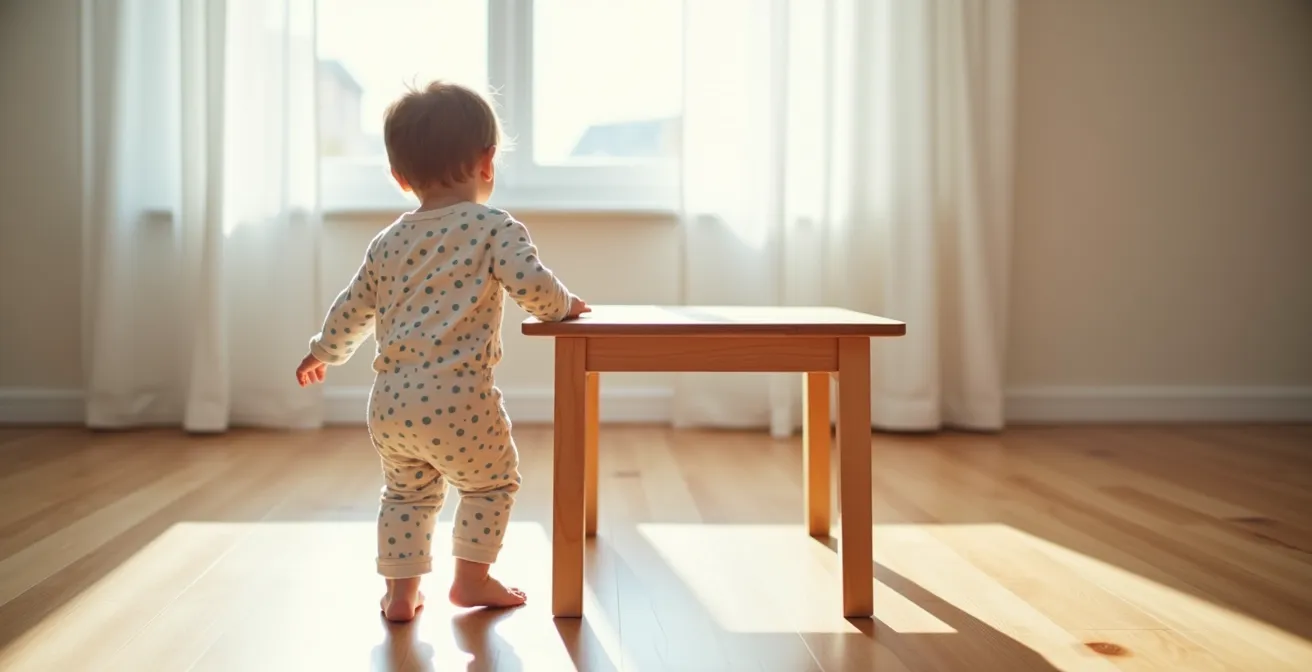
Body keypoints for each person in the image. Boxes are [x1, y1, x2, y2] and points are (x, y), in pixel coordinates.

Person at [295, 80, 589, 622]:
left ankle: (401, 594)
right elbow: (534, 288)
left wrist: (322, 353)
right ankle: (471, 580)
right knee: (492, 482)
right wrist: (566, 305)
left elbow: (352, 308)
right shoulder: (493, 226)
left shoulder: (387, 242)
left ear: (399, 177)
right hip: (459, 402)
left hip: (389, 405)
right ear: (488, 161)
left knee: (405, 497)